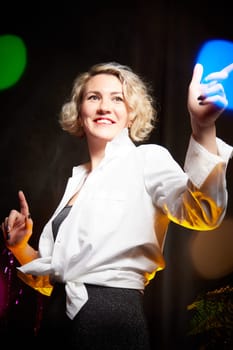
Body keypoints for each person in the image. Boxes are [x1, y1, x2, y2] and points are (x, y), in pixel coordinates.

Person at [1, 61, 233, 350]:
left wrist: (203, 128)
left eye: (117, 98)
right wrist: (20, 247)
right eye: (93, 97)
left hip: (111, 321)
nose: (104, 107)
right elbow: (58, 281)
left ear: (131, 114)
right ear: (80, 110)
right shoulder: (77, 180)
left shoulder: (147, 159)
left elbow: (203, 213)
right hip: (56, 323)